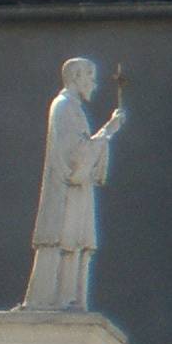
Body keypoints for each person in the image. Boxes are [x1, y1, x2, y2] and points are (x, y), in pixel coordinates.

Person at [23, 56, 125, 311]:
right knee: (63, 244)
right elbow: (75, 157)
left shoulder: (72, 108)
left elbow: (82, 153)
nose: (94, 84)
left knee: (74, 246)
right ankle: (55, 299)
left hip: (76, 195)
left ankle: (68, 299)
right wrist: (109, 130)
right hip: (65, 196)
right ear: (76, 76)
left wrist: (106, 133)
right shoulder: (64, 107)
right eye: (90, 77)